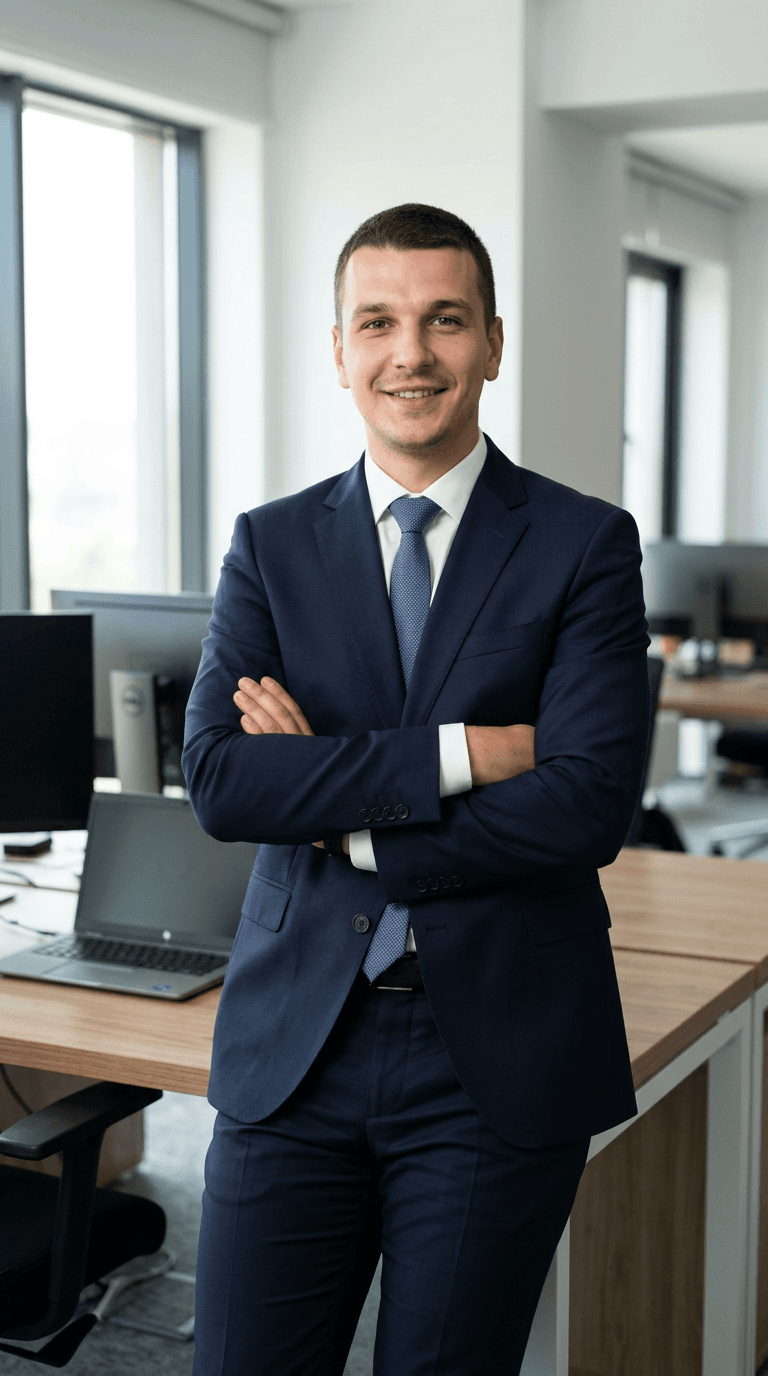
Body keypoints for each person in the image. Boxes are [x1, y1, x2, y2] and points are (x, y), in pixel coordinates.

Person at [183, 202, 649, 1376]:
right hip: (297, 1041)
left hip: (496, 1048)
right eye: (379, 321)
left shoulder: (586, 543)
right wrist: (463, 752)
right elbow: (226, 780)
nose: (412, 353)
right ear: (337, 349)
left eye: (445, 319)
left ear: (493, 341)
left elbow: (588, 802)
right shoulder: (269, 543)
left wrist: (338, 813)